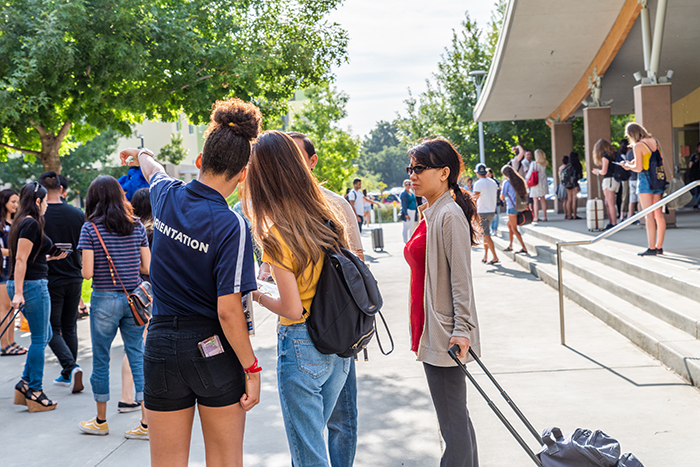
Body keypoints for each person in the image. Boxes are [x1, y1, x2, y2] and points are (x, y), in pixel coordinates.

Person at [120, 98, 261, 466]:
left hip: (161, 346)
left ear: (200, 161)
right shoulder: (232, 225)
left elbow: (152, 169)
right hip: (212, 349)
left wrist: (141, 152)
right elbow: (229, 311)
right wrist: (252, 369)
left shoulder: (166, 195)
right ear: (243, 173)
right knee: (225, 460)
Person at [245, 131, 350, 467]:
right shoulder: (329, 217)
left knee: (308, 457)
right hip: (338, 343)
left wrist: (257, 295)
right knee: (314, 446)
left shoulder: (278, 233)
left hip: (301, 342)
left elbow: (292, 307)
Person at [404, 138, 481, 467]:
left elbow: (461, 280)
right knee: (456, 421)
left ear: (444, 172)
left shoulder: (448, 215)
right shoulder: (432, 212)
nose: (413, 175)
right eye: (411, 168)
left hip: (446, 334)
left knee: (453, 428)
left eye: (420, 168)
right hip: (431, 330)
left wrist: (462, 330)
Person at [288, 130, 363, 467]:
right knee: (306, 427)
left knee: (341, 418)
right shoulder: (279, 210)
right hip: (302, 327)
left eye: (296, 157)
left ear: (312, 161)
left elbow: (357, 265)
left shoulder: (336, 204)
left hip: (338, 327)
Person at [77, 176, 151, 438]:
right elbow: (147, 268)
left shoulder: (90, 229)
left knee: (101, 359)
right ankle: (145, 423)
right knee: (138, 356)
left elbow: (86, 273)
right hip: (134, 300)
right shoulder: (137, 226)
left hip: (104, 300)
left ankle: (100, 420)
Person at [8, 182, 69, 412]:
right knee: (39, 339)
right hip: (32, 286)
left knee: (46, 334)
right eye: (44, 201)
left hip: (29, 283)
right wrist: (20, 293)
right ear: (37, 202)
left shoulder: (22, 222)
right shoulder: (31, 224)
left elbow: (30, 256)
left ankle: (25, 383)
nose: (46, 206)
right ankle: (35, 389)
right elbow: (21, 260)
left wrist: (51, 258)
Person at [38, 171, 85, 393]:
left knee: (51, 329)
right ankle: (69, 373)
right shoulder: (77, 214)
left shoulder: (39, 217)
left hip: (50, 277)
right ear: (61, 188)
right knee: (70, 327)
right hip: (74, 275)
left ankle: (71, 367)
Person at [118, 187, 154, 414]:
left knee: (134, 345)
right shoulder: (151, 231)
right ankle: (130, 397)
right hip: (150, 292)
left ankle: (126, 396)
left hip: (134, 291)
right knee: (140, 345)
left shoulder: (128, 229)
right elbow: (148, 266)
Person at [621, 123, 666, 256]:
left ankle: (651, 248)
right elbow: (660, 160)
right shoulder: (655, 141)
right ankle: (659, 247)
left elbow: (639, 168)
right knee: (659, 215)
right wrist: (632, 164)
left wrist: (628, 167)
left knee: (649, 216)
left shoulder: (638, 145)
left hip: (645, 182)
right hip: (658, 180)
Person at [1, 189, 25, 356]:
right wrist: (16, 252)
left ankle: (11, 342)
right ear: (4, 203)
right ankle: (4, 345)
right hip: (2, 270)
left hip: (12, 269)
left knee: (10, 309)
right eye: (13, 202)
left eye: (17, 202)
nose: (16, 205)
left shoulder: (12, 223)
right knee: (3, 309)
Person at [473, 163, 499, 264]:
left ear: (477, 173)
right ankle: (486, 256)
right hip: (492, 210)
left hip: (482, 212)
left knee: (486, 235)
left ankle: (495, 257)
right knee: (485, 235)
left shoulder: (478, 184)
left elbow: (474, 199)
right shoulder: (493, 182)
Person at [592, 139, 619, 230]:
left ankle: (613, 223)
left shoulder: (605, 157)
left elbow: (604, 171)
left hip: (609, 181)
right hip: (615, 180)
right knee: (609, 202)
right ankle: (612, 222)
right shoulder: (613, 155)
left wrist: (597, 171)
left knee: (609, 203)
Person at [500, 165, 528, 254]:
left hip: (512, 207)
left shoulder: (506, 183)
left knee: (514, 228)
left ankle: (524, 247)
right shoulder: (519, 180)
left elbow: (502, 197)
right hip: (520, 205)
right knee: (509, 225)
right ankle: (510, 245)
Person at [525, 149, 549, 222]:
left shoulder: (533, 163)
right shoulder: (544, 163)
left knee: (535, 201)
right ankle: (545, 217)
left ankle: (536, 217)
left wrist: (526, 181)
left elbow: (529, 174)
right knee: (543, 200)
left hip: (535, 183)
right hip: (543, 183)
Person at [563, 152, 583, 219]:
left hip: (568, 184)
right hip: (575, 184)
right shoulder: (577, 165)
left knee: (569, 200)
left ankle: (569, 215)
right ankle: (574, 215)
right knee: (574, 200)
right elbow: (580, 176)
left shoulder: (567, 166)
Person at [615, 139, 630, 221]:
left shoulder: (618, 154)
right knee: (625, 195)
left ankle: (621, 214)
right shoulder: (625, 155)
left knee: (621, 196)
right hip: (625, 178)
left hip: (620, 178)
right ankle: (623, 213)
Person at [400, 179, 418, 243]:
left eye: (409, 184)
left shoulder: (411, 192)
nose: (408, 186)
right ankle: (405, 240)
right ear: (403, 185)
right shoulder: (403, 193)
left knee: (412, 226)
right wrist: (406, 214)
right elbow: (404, 204)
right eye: (406, 184)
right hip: (408, 211)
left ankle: (410, 239)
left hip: (413, 211)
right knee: (406, 227)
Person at [486, 168, 501, 234]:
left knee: (496, 216)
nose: (488, 175)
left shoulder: (495, 182)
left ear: (491, 174)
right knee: (491, 216)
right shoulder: (485, 182)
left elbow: (499, 191)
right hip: (488, 202)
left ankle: (495, 229)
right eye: (487, 174)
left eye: (489, 174)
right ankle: (492, 229)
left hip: (496, 202)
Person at [626, 147, 639, 221]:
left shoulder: (628, 153)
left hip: (631, 178)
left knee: (632, 200)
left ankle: (630, 217)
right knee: (639, 200)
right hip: (637, 178)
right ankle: (640, 217)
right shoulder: (638, 151)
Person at [688, 142, 700, 209]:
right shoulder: (694, 156)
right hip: (696, 176)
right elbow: (691, 165)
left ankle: (697, 203)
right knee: (697, 190)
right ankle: (697, 203)